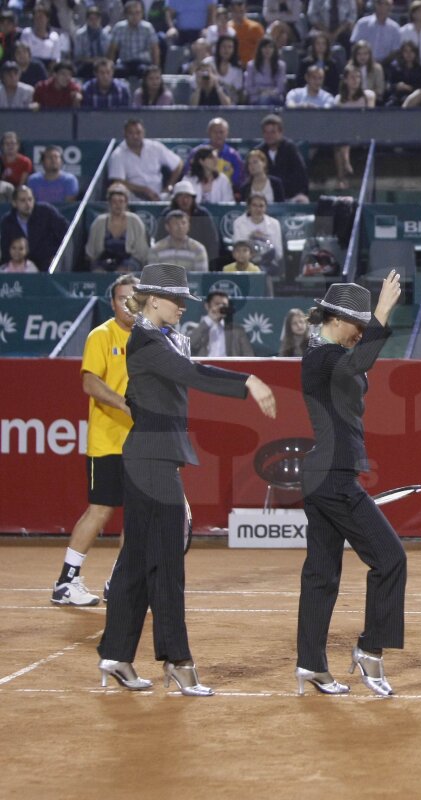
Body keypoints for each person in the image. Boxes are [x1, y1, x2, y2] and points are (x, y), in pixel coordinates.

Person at [97, 262, 276, 695]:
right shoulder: (144, 340)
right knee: (167, 563)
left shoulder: (165, 337)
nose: (182, 306)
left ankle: (116, 656)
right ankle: (178, 661)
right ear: (153, 299)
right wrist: (249, 380)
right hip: (150, 461)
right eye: (176, 300)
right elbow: (191, 375)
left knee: (137, 561)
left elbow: (153, 390)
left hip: (152, 459)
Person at [297, 276, 404, 697]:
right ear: (337, 318)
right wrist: (381, 313)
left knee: (322, 574)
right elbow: (358, 365)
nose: (361, 330)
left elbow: (357, 366)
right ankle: (370, 652)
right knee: (391, 558)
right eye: (356, 322)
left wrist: (372, 324)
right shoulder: (321, 357)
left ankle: (310, 664)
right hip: (333, 476)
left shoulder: (334, 355)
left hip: (327, 475)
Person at [52, 275, 139, 605]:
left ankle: (119, 581)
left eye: (134, 298)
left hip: (139, 444)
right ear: (113, 302)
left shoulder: (149, 339)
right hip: (106, 441)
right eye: (121, 298)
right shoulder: (101, 335)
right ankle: (65, 582)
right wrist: (125, 405)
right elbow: (90, 383)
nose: (127, 303)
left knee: (135, 515)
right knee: (100, 511)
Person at [107, 117, 184, 201]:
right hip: (132, 197)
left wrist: (169, 186)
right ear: (125, 134)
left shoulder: (155, 147)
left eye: (138, 132)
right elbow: (118, 182)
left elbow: (178, 164)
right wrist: (144, 190)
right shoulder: (118, 154)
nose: (135, 136)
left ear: (143, 133)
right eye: (131, 133)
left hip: (160, 195)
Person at [84, 184, 148, 272]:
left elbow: (142, 250)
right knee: (98, 272)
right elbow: (91, 251)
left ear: (126, 203)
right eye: (114, 202)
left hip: (129, 260)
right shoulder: (99, 222)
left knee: (122, 271)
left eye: (121, 201)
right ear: (109, 203)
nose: (118, 205)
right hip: (104, 259)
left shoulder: (135, 221)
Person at [254, 114, 309, 202]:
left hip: (289, 196)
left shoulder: (290, 149)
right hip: (265, 198)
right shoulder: (259, 151)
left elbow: (300, 176)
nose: (269, 135)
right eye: (266, 132)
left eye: (273, 132)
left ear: (280, 132)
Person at [189, 289, 254, 356]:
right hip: (203, 365)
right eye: (217, 304)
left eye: (224, 305)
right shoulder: (196, 328)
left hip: (228, 365)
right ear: (207, 306)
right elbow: (188, 346)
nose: (221, 307)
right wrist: (209, 321)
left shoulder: (238, 331)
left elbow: (249, 356)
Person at [232, 193, 284, 271]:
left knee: (264, 269)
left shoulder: (274, 224)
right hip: (245, 263)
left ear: (265, 208)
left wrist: (264, 239)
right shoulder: (238, 223)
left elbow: (279, 253)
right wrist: (250, 237)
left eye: (261, 206)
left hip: (268, 263)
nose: (258, 209)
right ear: (249, 207)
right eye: (254, 205)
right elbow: (237, 250)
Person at [107, 1, 160, 75]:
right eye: (131, 13)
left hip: (143, 62)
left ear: (142, 13)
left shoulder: (148, 28)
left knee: (144, 71)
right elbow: (112, 49)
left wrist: (155, 68)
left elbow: (155, 49)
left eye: (138, 13)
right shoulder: (119, 27)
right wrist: (109, 67)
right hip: (125, 62)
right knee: (117, 71)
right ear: (125, 14)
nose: (135, 16)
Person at [150, 209, 209, 273]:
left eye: (183, 223)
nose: (180, 227)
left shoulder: (198, 249)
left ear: (189, 226)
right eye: (176, 223)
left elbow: (200, 278)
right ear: (167, 227)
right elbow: (153, 277)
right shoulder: (156, 250)